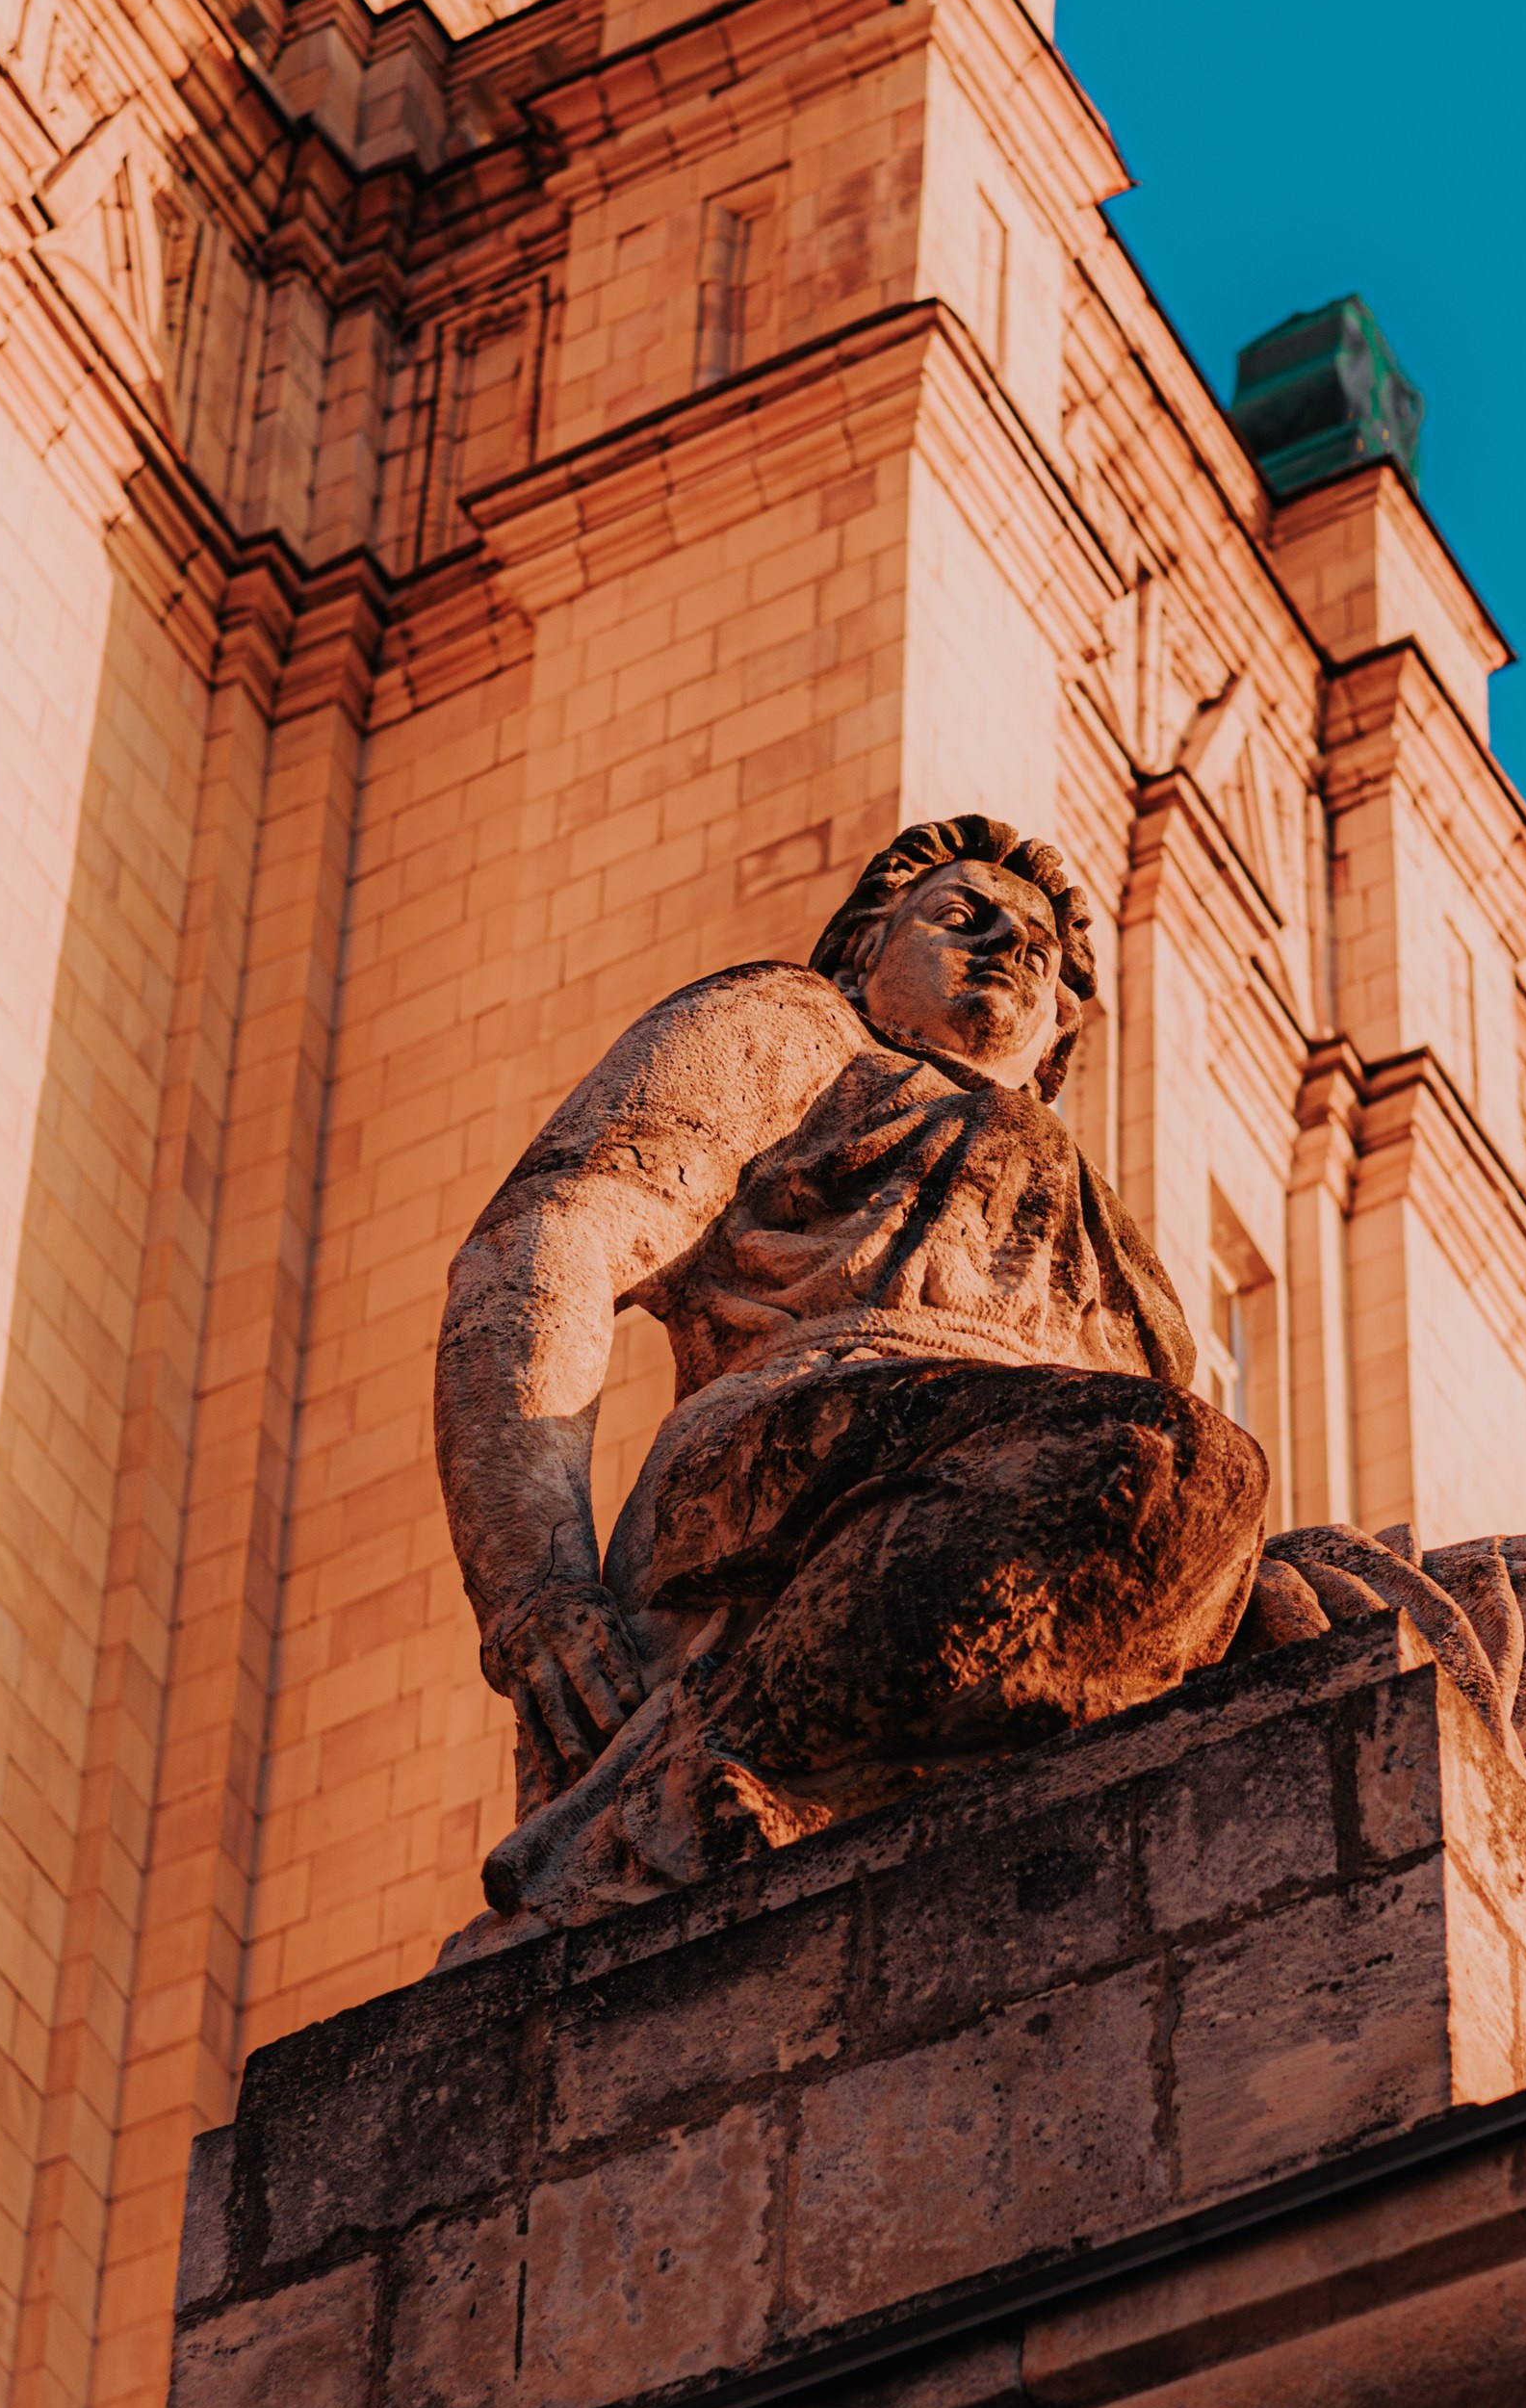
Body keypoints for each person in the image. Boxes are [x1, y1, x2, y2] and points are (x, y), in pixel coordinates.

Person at [435, 814, 1268, 1943]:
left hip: (1048, 1476)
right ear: (865, 951)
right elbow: (546, 1247)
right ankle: (694, 1774)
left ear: (1058, 1035)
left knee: (1446, 1601)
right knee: (1168, 1460)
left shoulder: (1110, 1223)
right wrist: (537, 1590)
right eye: (960, 917)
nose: (1006, 951)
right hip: (795, 1456)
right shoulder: (801, 1028)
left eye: (1039, 951)